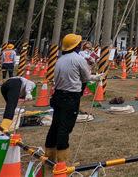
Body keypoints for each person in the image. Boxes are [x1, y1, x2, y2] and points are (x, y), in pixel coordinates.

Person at [44, 34, 103, 172]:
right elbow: (85, 78)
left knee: (55, 125)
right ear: (76, 46)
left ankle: (49, 156)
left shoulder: (60, 59)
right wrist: (96, 77)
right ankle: (62, 162)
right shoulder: (78, 59)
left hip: (58, 95)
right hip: (71, 97)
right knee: (65, 128)